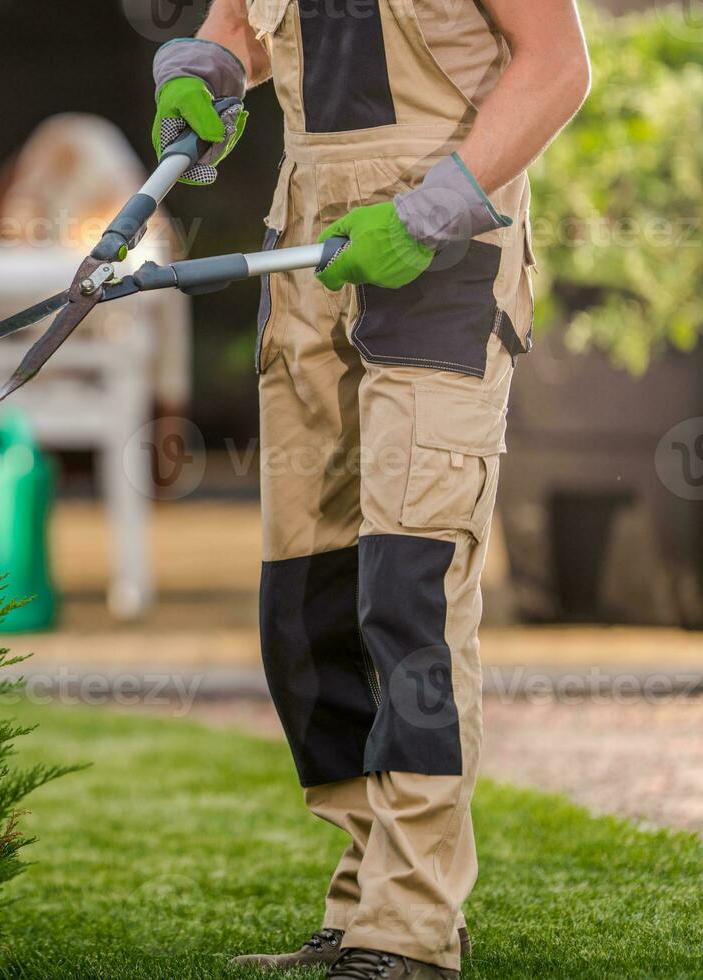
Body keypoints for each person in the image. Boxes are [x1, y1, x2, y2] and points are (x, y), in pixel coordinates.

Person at [150, 2, 590, 978]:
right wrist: (208, 70)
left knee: (409, 593)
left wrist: (428, 212)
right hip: (306, 247)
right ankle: (363, 905)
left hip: (444, 248)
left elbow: (558, 66)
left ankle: (412, 925)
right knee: (304, 606)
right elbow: (243, 21)